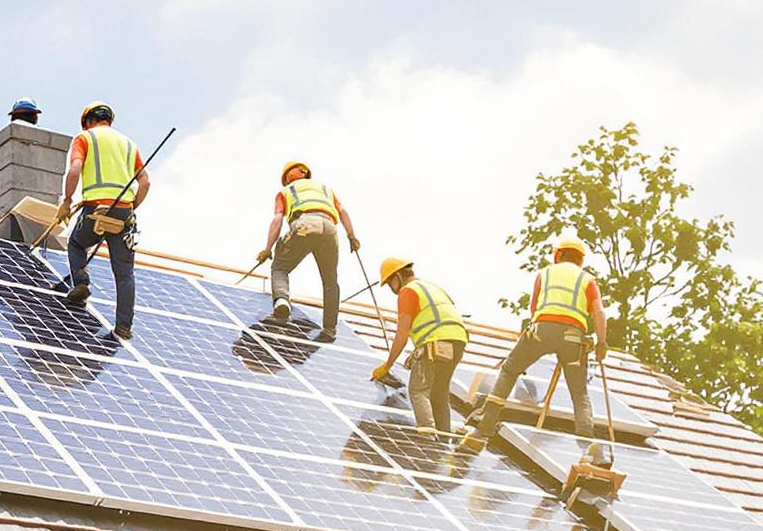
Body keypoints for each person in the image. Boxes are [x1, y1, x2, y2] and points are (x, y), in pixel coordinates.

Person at [472, 233, 605, 443]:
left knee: (509, 370)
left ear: (558, 255)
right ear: (581, 259)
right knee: (579, 393)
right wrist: (601, 343)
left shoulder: (545, 274)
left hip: (541, 331)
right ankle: (586, 440)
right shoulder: (587, 280)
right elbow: (598, 313)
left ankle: (486, 424)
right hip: (573, 338)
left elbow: (533, 308)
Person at [55, 102, 148, 339]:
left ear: (87, 121)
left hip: (95, 210)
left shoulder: (85, 138)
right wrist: (131, 207)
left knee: (76, 243)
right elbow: (145, 182)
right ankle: (124, 327)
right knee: (125, 273)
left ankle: (82, 283)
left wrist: (66, 200)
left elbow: (75, 169)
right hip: (123, 214)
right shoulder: (129, 144)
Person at [256, 161, 360, 339]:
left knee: (279, 267)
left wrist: (267, 249)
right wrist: (352, 236)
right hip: (329, 229)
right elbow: (343, 212)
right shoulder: (326, 190)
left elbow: (277, 220)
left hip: (304, 225)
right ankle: (330, 329)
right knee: (330, 281)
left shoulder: (285, 192)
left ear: (300, 172)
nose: (288, 179)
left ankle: (282, 301)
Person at [370, 257, 471, 433]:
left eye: (389, 282)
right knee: (439, 394)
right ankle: (444, 440)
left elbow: (402, 332)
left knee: (418, 391)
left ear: (398, 275)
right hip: (457, 342)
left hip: (436, 341)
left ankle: (428, 438)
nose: (391, 288)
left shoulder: (408, 292)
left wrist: (388, 365)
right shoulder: (433, 288)